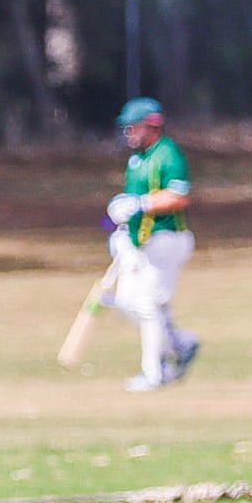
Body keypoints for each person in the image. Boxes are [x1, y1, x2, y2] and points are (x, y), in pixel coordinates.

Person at [102, 96, 200, 391]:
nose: (128, 133)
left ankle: (154, 373)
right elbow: (130, 207)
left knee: (148, 306)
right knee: (127, 303)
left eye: (133, 127)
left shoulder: (167, 155)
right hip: (142, 242)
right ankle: (181, 344)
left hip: (167, 240)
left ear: (151, 126)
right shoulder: (137, 160)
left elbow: (179, 196)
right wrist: (116, 229)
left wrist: (141, 203)